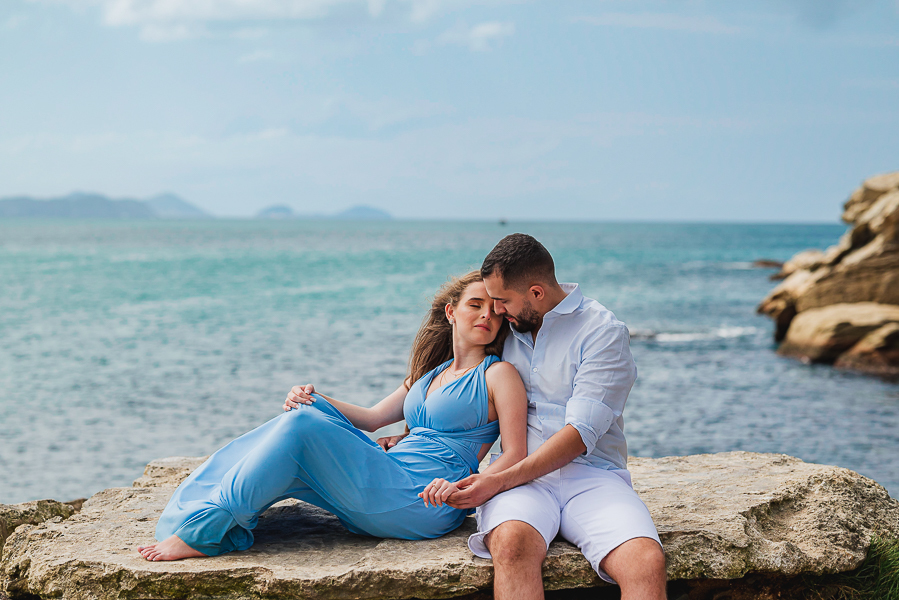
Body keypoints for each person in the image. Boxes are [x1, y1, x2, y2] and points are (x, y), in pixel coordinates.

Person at [138, 271, 527, 561]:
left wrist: (471, 486)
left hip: (425, 497)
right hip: (389, 474)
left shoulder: (498, 374)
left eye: (494, 310)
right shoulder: (429, 375)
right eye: (475, 305)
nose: (485, 316)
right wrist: (312, 396)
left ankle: (206, 530)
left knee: (303, 425)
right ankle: (203, 510)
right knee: (304, 411)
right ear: (451, 312)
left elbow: (515, 454)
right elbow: (374, 418)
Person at [444, 234, 667, 600]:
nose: (495, 311)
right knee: (512, 545)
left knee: (645, 561)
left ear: (536, 292)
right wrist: (409, 430)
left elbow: (579, 435)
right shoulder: (508, 328)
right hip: (525, 484)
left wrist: (497, 481)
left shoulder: (602, 332)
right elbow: (450, 369)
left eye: (502, 300)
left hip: (592, 476)